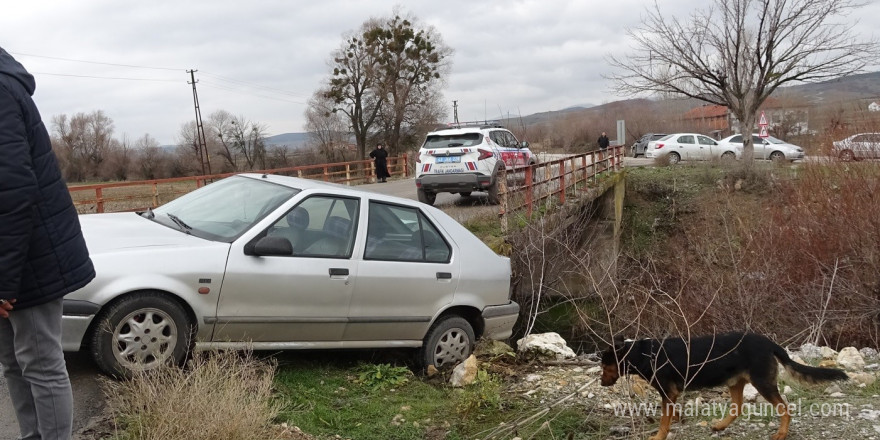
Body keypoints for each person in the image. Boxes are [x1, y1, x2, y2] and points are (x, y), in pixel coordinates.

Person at [0, 47, 95, 440]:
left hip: (30, 256)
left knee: (41, 364)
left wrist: (2, 282)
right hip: (11, 255)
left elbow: (13, 191)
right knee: (12, 363)